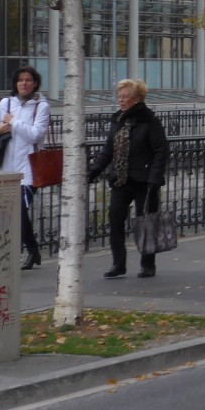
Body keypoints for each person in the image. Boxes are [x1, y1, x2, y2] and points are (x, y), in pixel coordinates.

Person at [87, 79, 169, 279]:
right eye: (120, 97)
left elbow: (161, 150)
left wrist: (154, 177)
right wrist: (92, 172)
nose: (121, 101)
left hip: (144, 181)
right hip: (120, 180)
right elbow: (108, 150)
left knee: (146, 222)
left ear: (138, 99)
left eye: (126, 97)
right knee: (115, 220)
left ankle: (147, 264)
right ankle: (118, 264)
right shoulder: (118, 120)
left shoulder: (149, 120)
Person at [0, 66, 50, 270]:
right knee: (10, 212)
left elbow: (35, 135)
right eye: (20, 80)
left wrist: (13, 122)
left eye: (28, 80)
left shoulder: (41, 106)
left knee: (19, 211)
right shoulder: (6, 103)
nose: (24, 83)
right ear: (16, 83)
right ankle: (31, 250)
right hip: (6, 168)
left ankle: (26, 251)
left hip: (29, 171)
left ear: (35, 83)